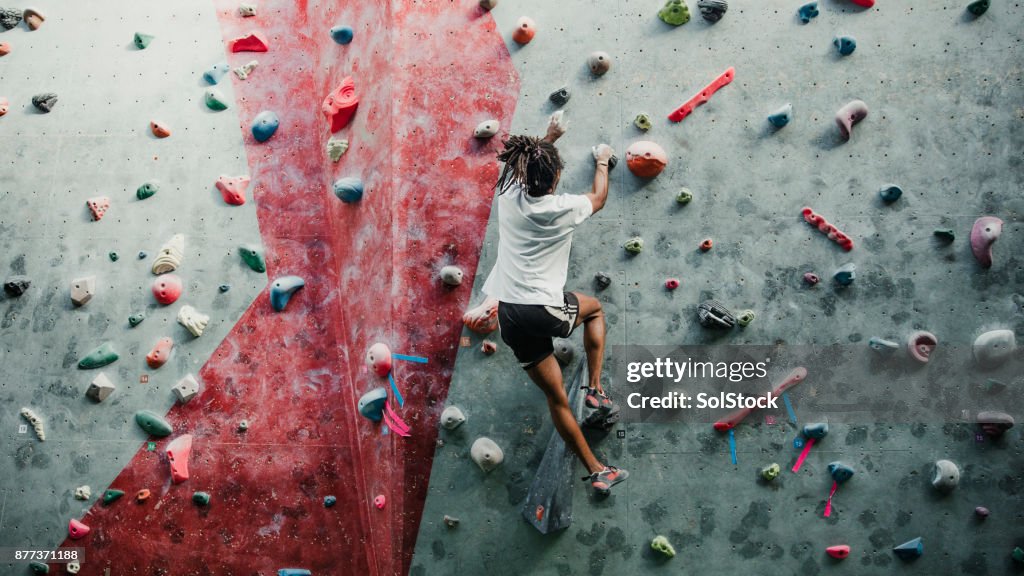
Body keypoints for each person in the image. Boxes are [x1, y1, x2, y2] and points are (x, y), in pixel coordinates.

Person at [482, 113, 628, 496]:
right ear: (557, 179)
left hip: (510, 313)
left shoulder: (509, 196)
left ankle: (598, 471)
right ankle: (595, 388)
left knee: (556, 397)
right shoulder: (562, 208)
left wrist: (550, 136)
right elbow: (598, 197)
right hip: (541, 309)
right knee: (594, 309)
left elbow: (521, 166)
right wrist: (602, 160)